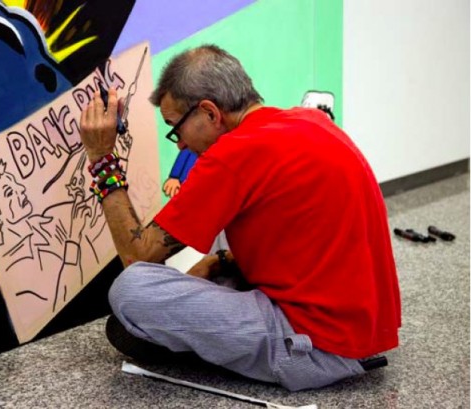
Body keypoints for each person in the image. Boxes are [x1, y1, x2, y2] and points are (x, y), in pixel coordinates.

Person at [78, 44, 401, 391]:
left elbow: (137, 255)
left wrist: (102, 158)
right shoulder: (309, 122)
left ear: (209, 113)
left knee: (131, 290)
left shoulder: (232, 154)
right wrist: (219, 261)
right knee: (220, 240)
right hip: (363, 331)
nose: (180, 145)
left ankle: (212, 349)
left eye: (176, 129)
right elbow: (304, 240)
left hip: (317, 347)